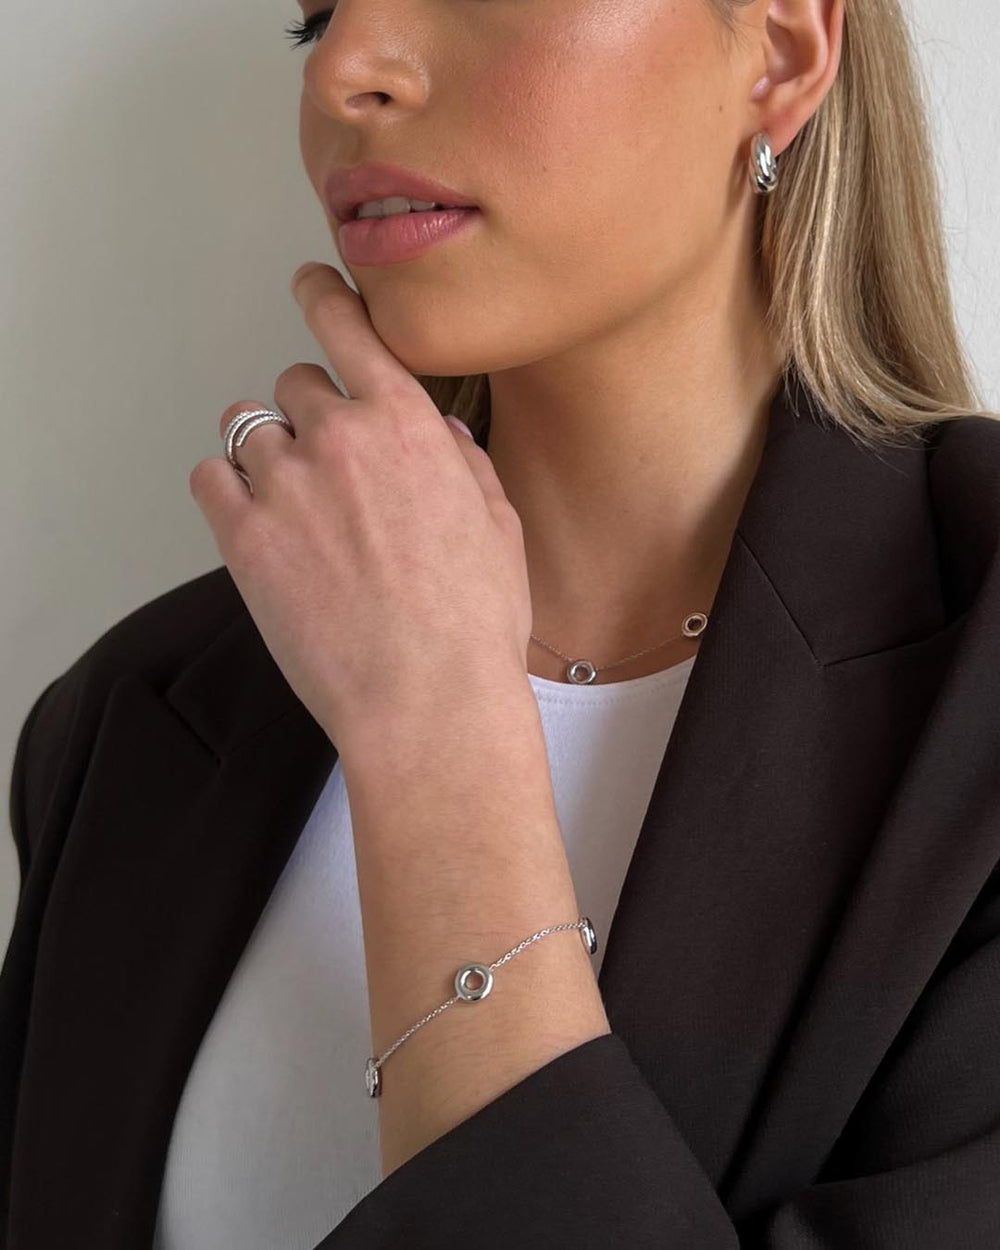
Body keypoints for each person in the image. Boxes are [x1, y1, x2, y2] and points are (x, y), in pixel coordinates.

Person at [3, 0, 999, 1246]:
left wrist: (433, 737)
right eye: (315, 18)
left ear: (782, 49)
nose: (348, 70)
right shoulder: (133, 721)